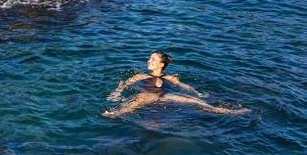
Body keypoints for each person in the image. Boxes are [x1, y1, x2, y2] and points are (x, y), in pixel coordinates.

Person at [102, 50, 249, 117]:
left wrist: (197, 93)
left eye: (153, 59)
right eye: (149, 58)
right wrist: (116, 94)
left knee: (197, 102)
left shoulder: (170, 77)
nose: (148, 61)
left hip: (165, 96)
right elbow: (125, 83)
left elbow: (184, 86)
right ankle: (116, 113)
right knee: (138, 100)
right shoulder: (141, 75)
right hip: (148, 95)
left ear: (161, 64)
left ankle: (231, 112)